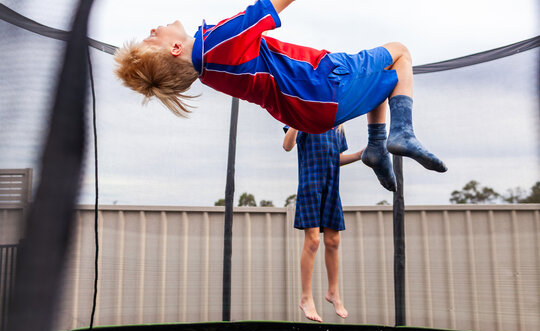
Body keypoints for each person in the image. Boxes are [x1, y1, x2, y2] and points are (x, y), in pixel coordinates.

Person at [114, 0, 447, 192]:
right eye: (150, 37)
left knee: (386, 80)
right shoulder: (215, 44)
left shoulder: (211, 70)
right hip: (321, 83)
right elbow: (267, 8)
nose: (153, 29)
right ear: (174, 48)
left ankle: (376, 147)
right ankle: (401, 132)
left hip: (307, 115)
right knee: (400, 53)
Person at [283, 124, 362, 322]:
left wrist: (359, 155)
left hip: (331, 186)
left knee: (333, 240)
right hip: (311, 185)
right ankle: (306, 298)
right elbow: (287, 145)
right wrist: (297, 122)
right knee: (313, 241)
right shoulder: (302, 117)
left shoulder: (338, 125)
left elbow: (336, 159)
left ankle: (333, 292)